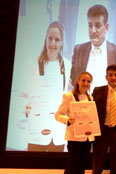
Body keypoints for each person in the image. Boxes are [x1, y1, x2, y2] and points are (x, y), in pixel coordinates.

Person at [23, 21, 71, 151]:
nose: (53, 44)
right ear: (45, 39)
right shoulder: (34, 64)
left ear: (62, 43)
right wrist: (25, 107)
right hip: (36, 129)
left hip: (58, 130)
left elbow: (69, 94)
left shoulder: (67, 65)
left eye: (57, 40)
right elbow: (22, 94)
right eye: (50, 39)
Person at [69, 4, 116, 90]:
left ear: (106, 28)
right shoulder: (78, 50)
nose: (93, 30)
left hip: (110, 103)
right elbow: (73, 81)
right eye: (90, 25)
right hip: (83, 102)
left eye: (97, 25)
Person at [92, 65, 116, 174]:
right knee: (98, 162)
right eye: (110, 75)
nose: (113, 77)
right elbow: (91, 109)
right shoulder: (98, 90)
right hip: (102, 131)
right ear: (106, 77)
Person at [55, 72, 94, 174]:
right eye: (83, 80)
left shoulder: (91, 98)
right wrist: (68, 120)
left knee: (82, 165)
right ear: (78, 81)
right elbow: (58, 115)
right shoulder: (69, 96)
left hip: (87, 137)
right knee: (72, 165)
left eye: (88, 81)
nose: (85, 83)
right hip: (74, 137)